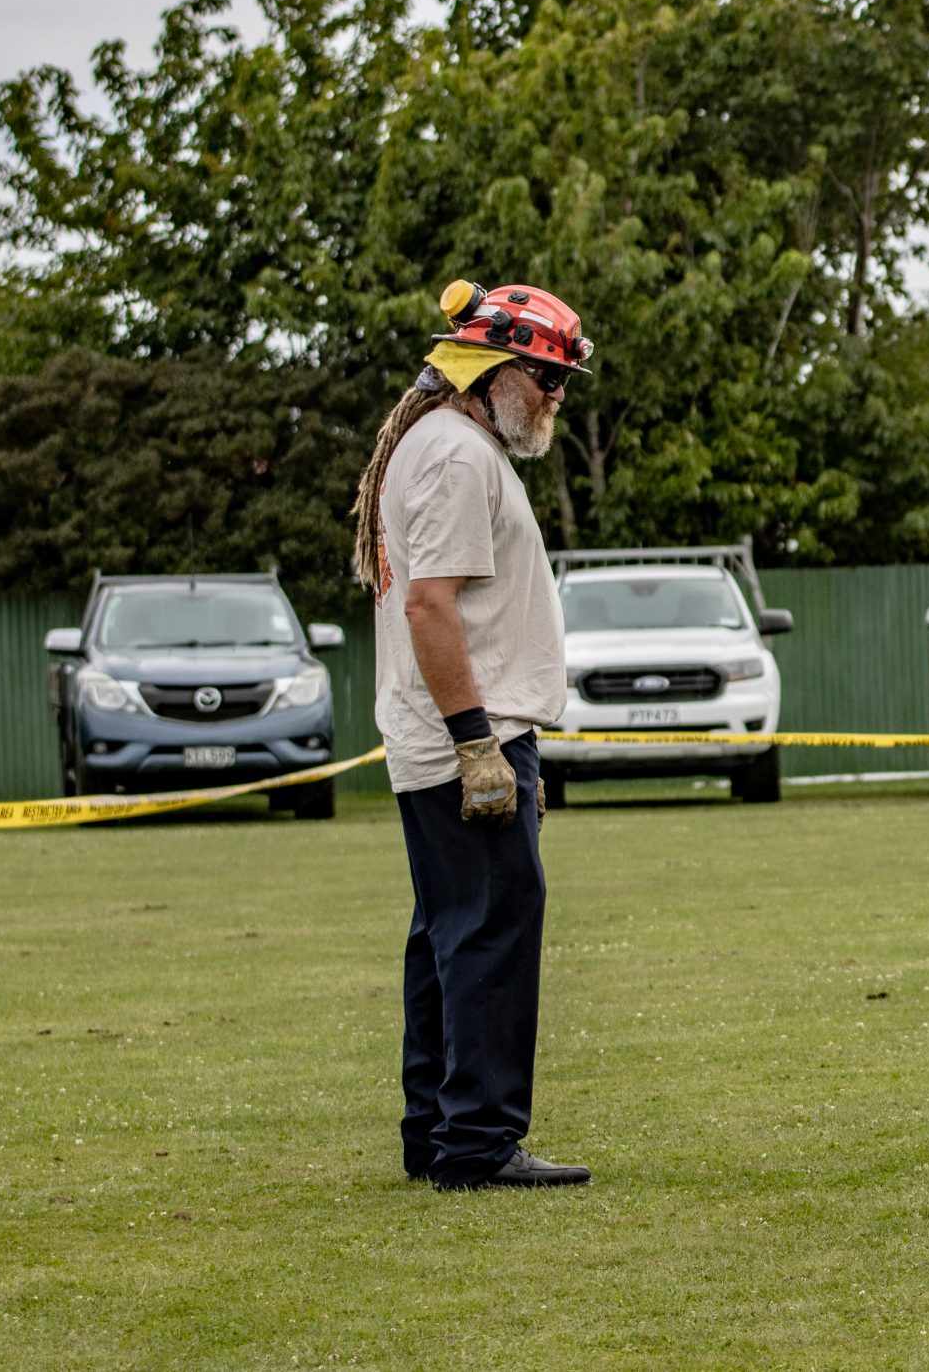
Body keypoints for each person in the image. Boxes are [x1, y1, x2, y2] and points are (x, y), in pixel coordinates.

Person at [351, 280, 596, 1191]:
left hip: (463, 730)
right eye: (547, 378)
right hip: (465, 735)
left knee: (450, 933)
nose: (556, 397)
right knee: (491, 928)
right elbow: (431, 606)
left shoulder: (441, 443)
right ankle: (479, 1143)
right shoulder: (457, 455)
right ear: (495, 371)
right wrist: (478, 745)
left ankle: (437, 1134)